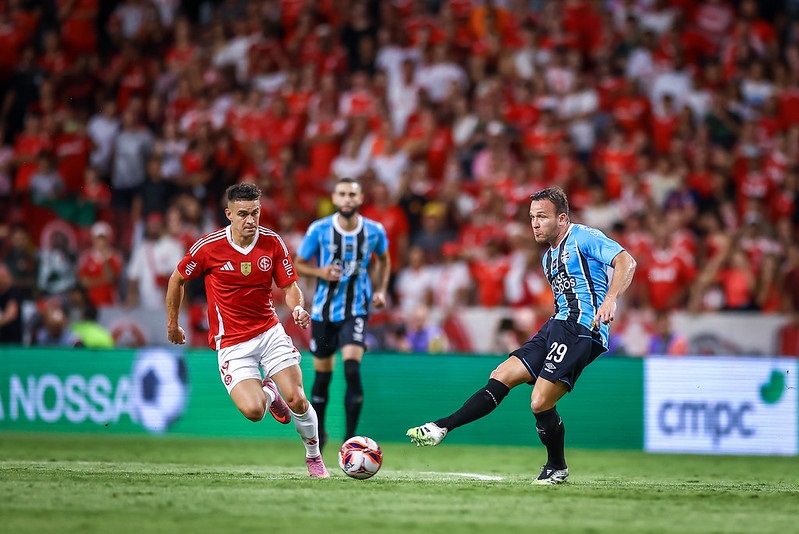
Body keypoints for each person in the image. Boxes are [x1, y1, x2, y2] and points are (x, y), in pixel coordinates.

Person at [406, 186, 637, 485]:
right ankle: (441, 427)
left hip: (581, 329)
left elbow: (626, 261)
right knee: (501, 374)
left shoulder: (583, 236)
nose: (535, 224)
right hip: (556, 326)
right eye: (532, 217)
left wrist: (611, 299)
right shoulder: (547, 258)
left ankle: (557, 466)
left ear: (562, 218)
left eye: (542, 217)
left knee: (539, 402)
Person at [165, 183, 330, 478]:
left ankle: (314, 457)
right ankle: (269, 394)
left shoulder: (273, 243)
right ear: (229, 214)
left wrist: (296, 308)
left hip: (269, 333)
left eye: (255, 213)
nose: (250, 220)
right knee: (254, 412)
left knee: (297, 399)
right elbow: (177, 279)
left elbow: (290, 287)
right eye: (243, 214)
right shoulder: (208, 247)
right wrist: (172, 323)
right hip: (231, 343)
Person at [294, 177, 390, 451]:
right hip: (323, 312)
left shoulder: (374, 231)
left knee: (351, 369)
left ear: (360, 199)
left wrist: (381, 290)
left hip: (356, 310)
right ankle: (319, 434)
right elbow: (298, 264)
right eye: (342, 194)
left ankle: (350, 440)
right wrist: (320, 272)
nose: (347, 199)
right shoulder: (319, 229)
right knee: (322, 377)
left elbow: (384, 259)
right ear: (335, 199)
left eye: (352, 194)